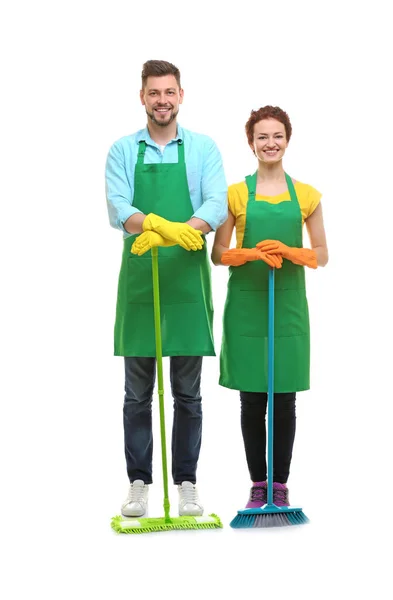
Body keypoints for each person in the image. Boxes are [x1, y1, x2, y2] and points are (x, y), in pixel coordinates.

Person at [105, 60, 227, 518]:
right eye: (153, 92)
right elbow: (120, 206)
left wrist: (177, 231)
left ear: (181, 95)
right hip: (141, 277)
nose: (162, 100)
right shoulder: (121, 149)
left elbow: (215, 202)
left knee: (187, 393)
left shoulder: (202, 148)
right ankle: (138, 482)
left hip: (187, 280)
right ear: (142, 97)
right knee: (137, 393)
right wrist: (153, 224)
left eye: (169, 92)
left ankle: (188, 482)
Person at [211, 105, 328, 509]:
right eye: (262, 136)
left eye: (277, 135)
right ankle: (257, 483)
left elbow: (322, 255)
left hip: (289, 307)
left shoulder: (308, 196)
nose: (270, 143)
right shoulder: (235, 194)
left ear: (287, 139)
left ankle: (280, 485)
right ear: (251, 143)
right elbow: (219, 253)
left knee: (284, 399)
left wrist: (291, 251)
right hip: (247, 306)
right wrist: (253, 255)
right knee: (251, 399)